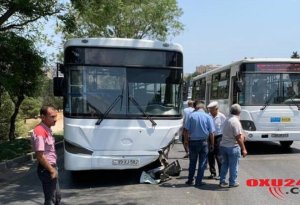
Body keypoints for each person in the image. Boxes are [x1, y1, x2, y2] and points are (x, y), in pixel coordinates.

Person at [31, 106, 61, 205]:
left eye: (55, 116)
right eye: (52, 117)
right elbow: (39, 155)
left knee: (56, 197)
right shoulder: (40, 131)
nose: (55, 119)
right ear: (43, 117)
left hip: (50, 167)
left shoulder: (46, 129)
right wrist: (52, 170)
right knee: (51, 200)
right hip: (47, 169)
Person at [184, 100, 215, 187]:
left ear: (196, 108)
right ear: (203, 108)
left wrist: (186, 142)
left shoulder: (191, 116)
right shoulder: (208, 117)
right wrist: (212, 144)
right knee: (202, 162)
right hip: (204, 142)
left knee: (192, 162)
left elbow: (186, 130)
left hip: (193, 142)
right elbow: (211, 132)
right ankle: (199, 181)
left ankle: (190, 180)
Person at [219, 104, 247, 188]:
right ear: (239, 112)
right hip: (232, 147)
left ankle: (222, 181)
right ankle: (232, 182)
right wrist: (244, 149)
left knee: (225, 164)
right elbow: (238, 138)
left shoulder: (227, 119)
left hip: (223, 146)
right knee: (233, 166)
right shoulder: (235, 121)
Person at [207, 101, 226, 180]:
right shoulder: (208, 116)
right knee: (210, 155)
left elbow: (225, 128)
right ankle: (213, 172)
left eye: (212, 110)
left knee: (219, 156)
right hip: (209, 137)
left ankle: (221, 174)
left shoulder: (222, 117)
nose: (210, 111)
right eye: (210, 110)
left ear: (216, 109)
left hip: (219, 137)